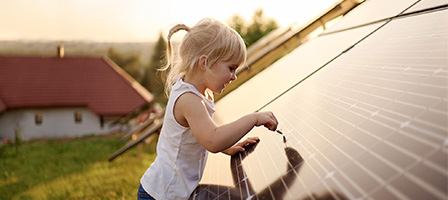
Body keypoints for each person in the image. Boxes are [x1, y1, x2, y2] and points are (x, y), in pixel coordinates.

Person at [138, 18, 279, 200]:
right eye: (231, 68)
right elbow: (212, 139)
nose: (234, 77)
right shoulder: (189, 100)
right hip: (160, 195)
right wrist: (253, 119)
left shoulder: (197, 90)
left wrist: (228, 147)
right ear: (205, 63)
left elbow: (202, 133)